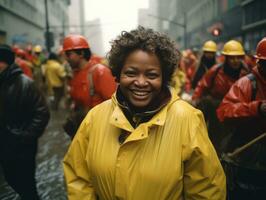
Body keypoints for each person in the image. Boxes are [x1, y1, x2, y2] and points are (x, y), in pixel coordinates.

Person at [63, 26, 226, 200]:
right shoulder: (95, 117)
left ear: (164, 77)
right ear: (118, 74)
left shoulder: (187, 119)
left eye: (151, 75)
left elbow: (207, 190)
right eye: (131, 73)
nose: (141, 82)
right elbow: (78, 177)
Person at [217, 37, 266, 199]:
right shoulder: (245, 84)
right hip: (248, 156)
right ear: (260, 63)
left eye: (238, 57)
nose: (235, 61)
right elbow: (224, 112)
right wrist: (256, 108)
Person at [0, 44, 50, 200]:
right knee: (9, 176)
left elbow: (42, 113)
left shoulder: (26, 84)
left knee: (27, 183)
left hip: (22, 145)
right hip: (4, 142)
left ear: (4, 62)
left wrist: (25, 136)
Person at [192, 40, 250, 156]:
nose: (235, 61)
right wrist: (195, 99)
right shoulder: (216, 70)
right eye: (232, 58)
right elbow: (202, 84)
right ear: (226, 58)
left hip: (236, 110)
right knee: (216, 137)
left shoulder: (247, 73)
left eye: (238, 58)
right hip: (217, 109)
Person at [62, 34, 116, 138]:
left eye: (69, 54)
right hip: (84, 128)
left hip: (99, 130)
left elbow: (114, 105)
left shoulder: (100, 72)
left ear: (81, 53)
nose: (66, 59)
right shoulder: (76, 73)